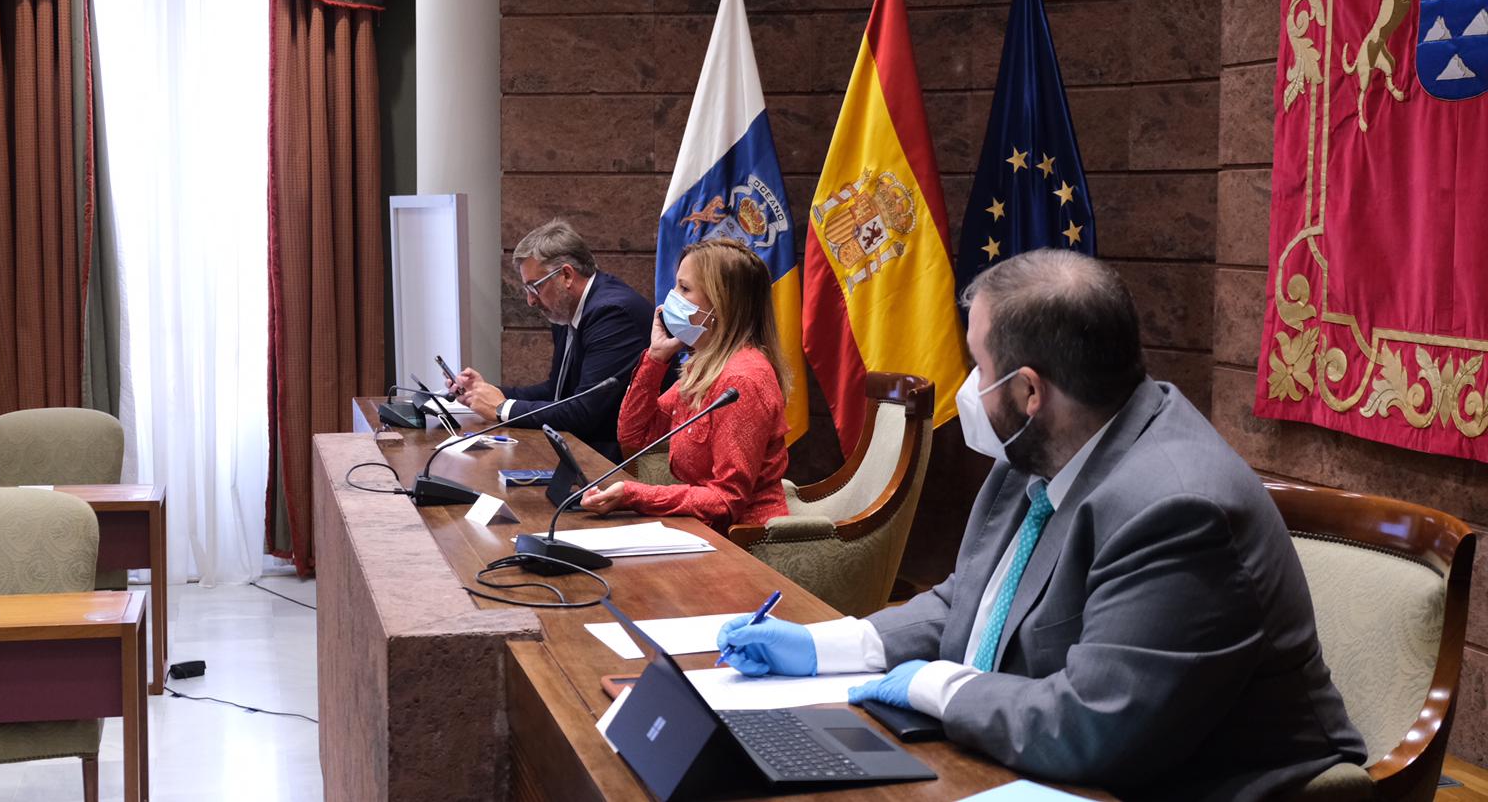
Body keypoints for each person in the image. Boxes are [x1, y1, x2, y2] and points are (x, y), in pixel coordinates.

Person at [714, 250, 1365, 801]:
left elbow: (1093, 727)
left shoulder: (1178, 509)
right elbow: (973, 597)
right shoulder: (1041, 447)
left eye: (978, 366)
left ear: (1030, 392)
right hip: (1026, 759)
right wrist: (831, 645)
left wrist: (939, 685)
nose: (969, 387)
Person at [577, 239, 789, 533]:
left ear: (721, 302)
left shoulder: (741, 380)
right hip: (702, 529)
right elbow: (636, 436)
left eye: (684, 288)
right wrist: (656, 358)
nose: (670, 300)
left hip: (743, 541)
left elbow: (727, 500)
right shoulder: (705, 366)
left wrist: (635, 495)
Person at [450, 220, 652, 462]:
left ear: (566, 275)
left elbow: (583, 412)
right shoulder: (567, 309)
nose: (530, 301)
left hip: (621, 459)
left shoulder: (611, 314)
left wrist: (501, 408)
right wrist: (488, 393)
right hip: (584, 449)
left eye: (534, 287)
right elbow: (556, 391)